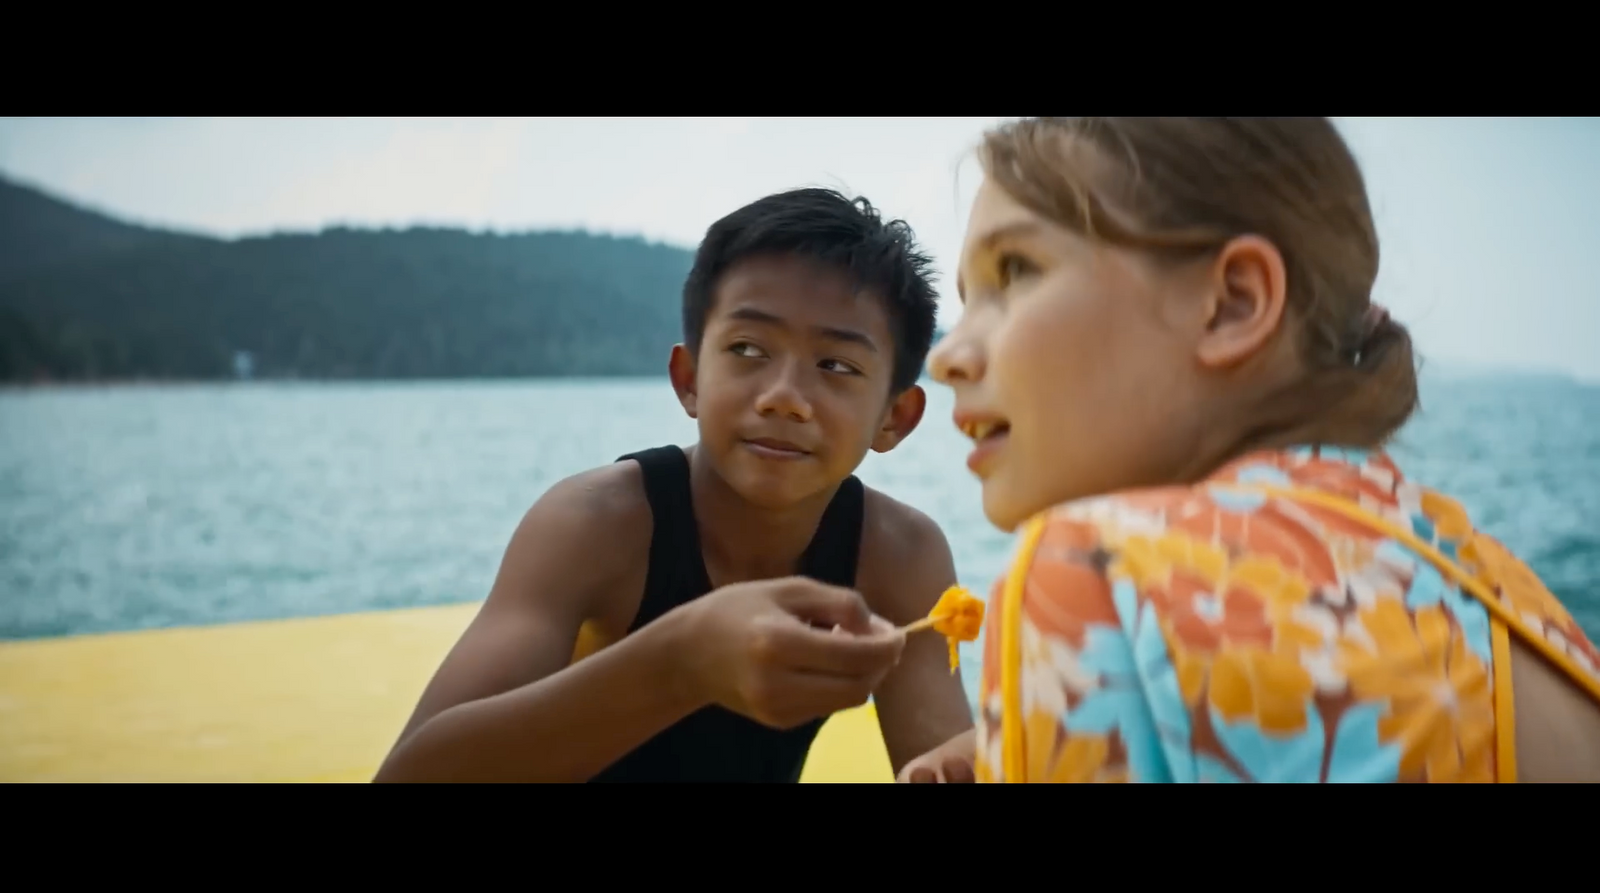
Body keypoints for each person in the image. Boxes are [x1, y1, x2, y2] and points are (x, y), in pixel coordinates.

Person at [898, 116, 1600, 783]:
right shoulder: (1513, 597)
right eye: (966, 298)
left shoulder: (1098, 571)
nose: (951, 355)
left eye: (1016, 271)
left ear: (1234, 302)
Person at [374, 187, 974, 782]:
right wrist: (682, 662)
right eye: (747, 349)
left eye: (836, 366)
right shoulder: (595, 523)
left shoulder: (899, 556)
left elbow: (940, 762)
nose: (784, 397)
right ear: (689, 380)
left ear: (895, 417)